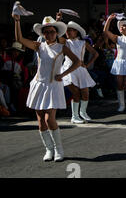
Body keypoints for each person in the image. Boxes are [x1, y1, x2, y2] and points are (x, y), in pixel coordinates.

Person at [13, 14, 80, 162]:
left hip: (53, 86)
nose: (49, 34)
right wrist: (17, 21)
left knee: (50, 119)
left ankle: (58, 149)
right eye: (46, 32)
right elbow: (19, 39)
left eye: (52, 31)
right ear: (43, 34)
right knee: (41, 120)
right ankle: (48, 149)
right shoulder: (39, 46)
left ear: (56, 32)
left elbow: (77, 62)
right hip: (39, 84)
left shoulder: (62, 47)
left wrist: (63, 74)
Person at [61, 21, 98, 123]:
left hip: (81, 69)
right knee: (75, 92)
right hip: (68, 69)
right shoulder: (65, 42)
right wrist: (58, 20)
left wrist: (87, 64)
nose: (68, 32)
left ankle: (83, 112)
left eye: (70, 30)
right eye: (67, 30)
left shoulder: (83, 43)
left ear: (76, 32)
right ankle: (74, 116)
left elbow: (95, 54)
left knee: (85, 93)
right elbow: (57, 36)